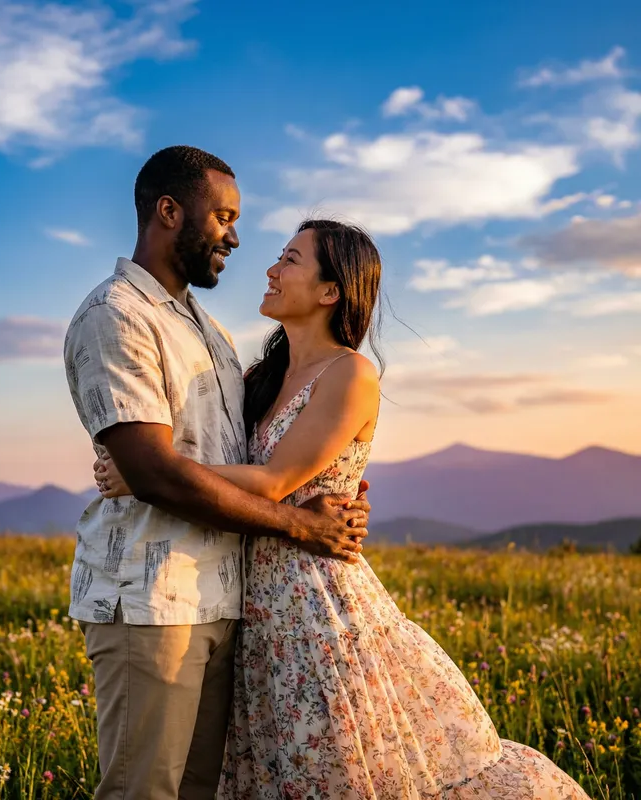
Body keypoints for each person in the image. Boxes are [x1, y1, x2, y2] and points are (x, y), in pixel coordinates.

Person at [95, 219, 592, 799]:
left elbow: (275, 480)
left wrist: (145, 475)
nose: (271, 269)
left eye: (290, 260)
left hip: (313, 604)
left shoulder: (351, 373)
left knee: (333, 771)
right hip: (251, 604)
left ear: (331, 292)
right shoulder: (260, 376)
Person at [63, 146, 371, 800]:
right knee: (144, 791)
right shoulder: (116, 315)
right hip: (150, 600)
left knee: (203, 790)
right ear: (170, 212)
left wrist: (335, 493)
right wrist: (300, 523)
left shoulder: (214, 335)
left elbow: (250, 460)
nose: (235, 236)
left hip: (225, 601)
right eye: (223, 216)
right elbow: (157, 475)